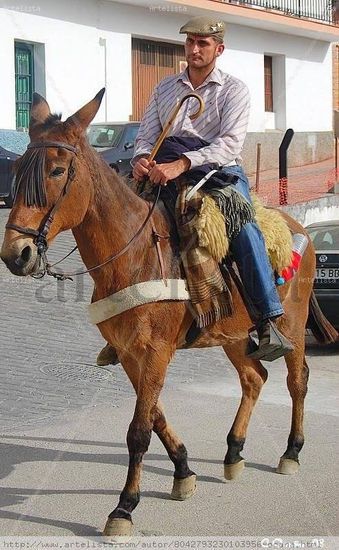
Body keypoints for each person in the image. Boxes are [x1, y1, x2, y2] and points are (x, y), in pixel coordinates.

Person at [97, 15, 293, 367]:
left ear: (219, 49)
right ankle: (124, 322)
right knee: (122, 223)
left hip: (218, 174)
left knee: (244, 228)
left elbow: (230, 145)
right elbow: (147, 133)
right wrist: (143, 157)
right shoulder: (165, 88)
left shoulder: (234, 90)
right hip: (164, 170)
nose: (195, 49)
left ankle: (267, 319)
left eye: (203, 43)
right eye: (190, 42)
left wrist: (183, 163)